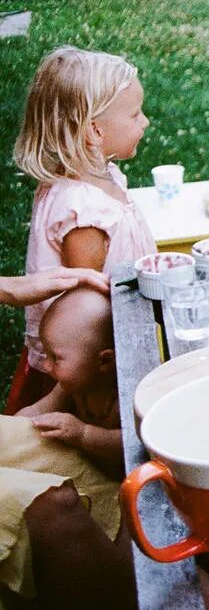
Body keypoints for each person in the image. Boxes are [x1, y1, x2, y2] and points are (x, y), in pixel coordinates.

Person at [13, 47, 157, 375]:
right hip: (85, 367)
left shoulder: (103, 174)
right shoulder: (84, 211)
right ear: (95, 131)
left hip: (106, 342)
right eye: (135, 114)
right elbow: (81, 310)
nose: (145, 121)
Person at [1, 287, 135, 610]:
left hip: (128, 486)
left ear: (104, 361)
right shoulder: (74, 381)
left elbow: (133, 448)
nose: (46, 365)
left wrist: (84, 435)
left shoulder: (122, 395)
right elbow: (35, 414)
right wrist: (19, 426)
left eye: (56, 358)